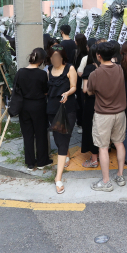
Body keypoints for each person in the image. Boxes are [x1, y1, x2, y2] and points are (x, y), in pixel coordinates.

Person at [87, 42, 127, 191]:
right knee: (119, 143)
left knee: (103, 148)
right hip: (120, 113)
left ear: (98, 56)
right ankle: (120, 175)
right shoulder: (119, 69)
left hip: (103, 114)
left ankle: (106, 182)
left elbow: (89, 91)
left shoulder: (95, 74)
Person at [46, 45, 77, 194]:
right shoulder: (48, 70)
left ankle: (58, 178)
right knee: (58, 139)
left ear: (62, 57)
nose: (54, 60)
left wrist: (67, 93)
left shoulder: (70, 68)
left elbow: (74, 87)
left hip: (67, 109)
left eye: (57, 57)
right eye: (52, 57)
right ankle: (66, 155)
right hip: (52, 109)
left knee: (63, 140)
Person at [14, 48, 51, 171]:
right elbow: (46, 91)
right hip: (39, 106)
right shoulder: (42, 74)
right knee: (40, 134)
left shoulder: (20, 72)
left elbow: (16, 89)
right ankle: (42, 161)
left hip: (24, 106)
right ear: (41, 61)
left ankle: (30, 163)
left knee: (27, 135)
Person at [80, 43, 100, 168]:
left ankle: (94, 160)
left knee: (91, 129)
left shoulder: (89, 69)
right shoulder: (107, 67)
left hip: (91, 103)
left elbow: (85, 90)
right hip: (105, 102)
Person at [73, 34, 89, 133]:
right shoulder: (87, 53)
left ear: (76, 42)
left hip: (78, 79)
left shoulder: (76, 53)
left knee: (79, 100)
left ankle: (80, 123)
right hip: (87, 79)